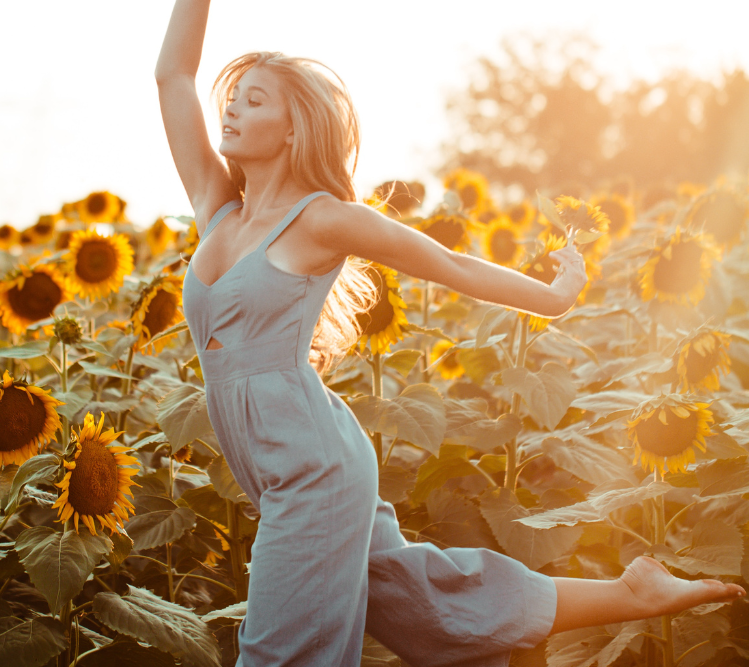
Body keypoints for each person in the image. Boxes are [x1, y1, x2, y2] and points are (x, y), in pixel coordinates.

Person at [154, 2, 746, 665]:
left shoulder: (321, 219)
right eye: (231, 98)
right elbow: (173, 77)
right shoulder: (217, 205)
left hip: (312, 470)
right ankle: (631, 591)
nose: (229, 109)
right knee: (423, 603)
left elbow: (449, 263)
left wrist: (552, 298)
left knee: (277, 653)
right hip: (280, 465)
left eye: (252, 100)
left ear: (293, 129)